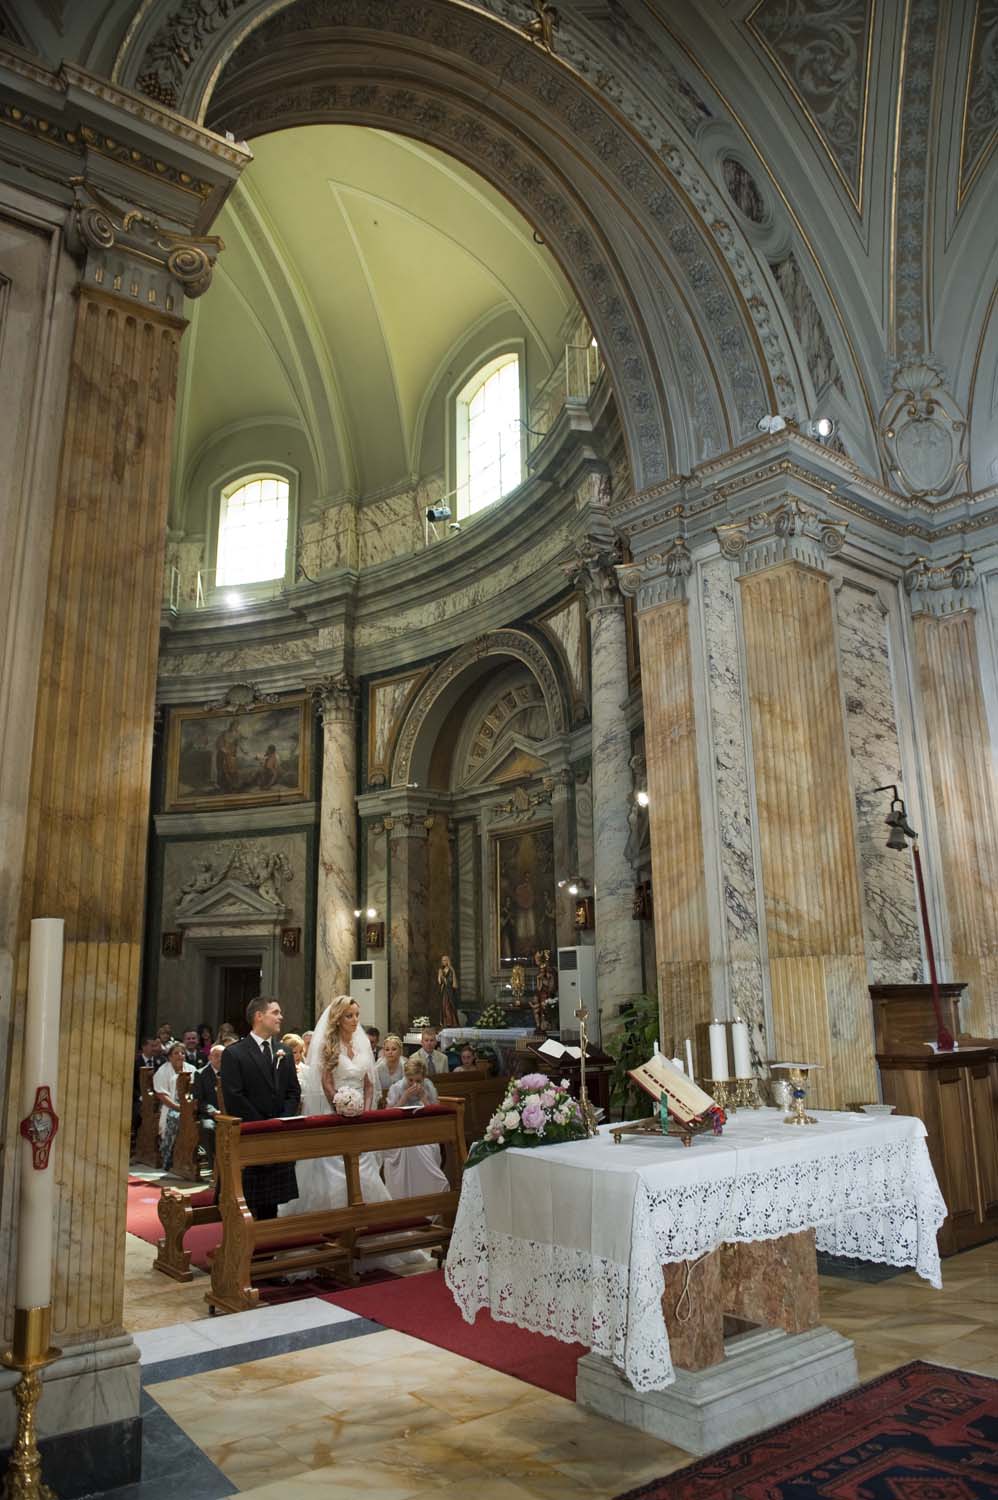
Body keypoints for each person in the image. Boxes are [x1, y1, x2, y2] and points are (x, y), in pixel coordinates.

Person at [278, 996, 391, 1220]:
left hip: (361, 1116)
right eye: (349, 1016)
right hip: (337, 1114)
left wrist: (365, 1112)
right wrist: (341, 1106)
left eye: (357, 1015)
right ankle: (335, 1221)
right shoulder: (328, 1045)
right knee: (334, 1170)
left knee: (365, 1169)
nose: (355, 1020)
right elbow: (327, 1083)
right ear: (338, 1019)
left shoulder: (362, 1045)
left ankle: (369, 1220)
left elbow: (369, 1084)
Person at [219, 997, 301, 1219]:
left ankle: (268, 1249)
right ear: (259, 1016)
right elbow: (234, 1097)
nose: (280, 1017)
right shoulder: (235, 1053)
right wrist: (264, 1125)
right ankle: (247, 1248)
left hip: (277, 1134)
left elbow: (293, 1092)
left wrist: (281, 1121)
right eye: (275, 1012)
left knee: (271, 1205)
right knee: (249, 1203)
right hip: (251, 1135)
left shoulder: (283, 1050)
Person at [383, 1056, 449, 1200]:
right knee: (407, 1148)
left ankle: (428, 1192)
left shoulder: (428, 1087)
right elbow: (388, 1114)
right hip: (400, 1132)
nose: (414, 1084)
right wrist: (404, 1097)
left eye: (418, 1081)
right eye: (410, 1080)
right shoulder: (397, 1087)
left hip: (426, 1131)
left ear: (423, 1078)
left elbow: (435, 1114)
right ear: (405, 1077)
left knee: (421, 1147)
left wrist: (423, 1097)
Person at [152, 1043, 197, 1172]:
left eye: (182, 1053)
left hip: (189, 1107)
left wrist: (189, 1108)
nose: (180, 1056)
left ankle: (191, 1154)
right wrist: (178, 1107)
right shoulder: (163, 1071)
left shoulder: (192, 1069)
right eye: (176, 1053)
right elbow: (161, 1094)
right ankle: (168, 1157)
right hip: (171, 1106)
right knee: (175, 1118)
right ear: (170, 1057)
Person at [193, 1043, 224, 1171]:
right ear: (210, 1057)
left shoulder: (232, 1072)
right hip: (209, 1114)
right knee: (208, 1128)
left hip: (227, 1113)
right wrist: (213, 1111)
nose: (220, 1059)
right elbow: (199, 1100)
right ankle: (214, 1168)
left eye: (223, 1056)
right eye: (216, 1056)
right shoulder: (200, 1074)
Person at [375, 1033, 405, 1101]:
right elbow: (376, 1091)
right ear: (384, 1052)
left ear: (400, 1051)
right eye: (387, 1049)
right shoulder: (378, 1068)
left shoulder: (404, 1066)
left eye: (394, 1049)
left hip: (402, 1100)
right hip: (382, 1101)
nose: (390, 1052)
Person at [437, 955, 459, 1029]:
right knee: (443, 1006)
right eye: (442, 960)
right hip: (444, 990)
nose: (443, 962)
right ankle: (445, 1022)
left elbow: (450, 981)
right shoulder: (441, 970)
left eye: (445, 960)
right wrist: (439, 975)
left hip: (449, 991)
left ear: (448, 961)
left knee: (448, 1006)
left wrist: (444, 978)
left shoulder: (451, 970)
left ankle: (451, 1022)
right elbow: (439, 982)